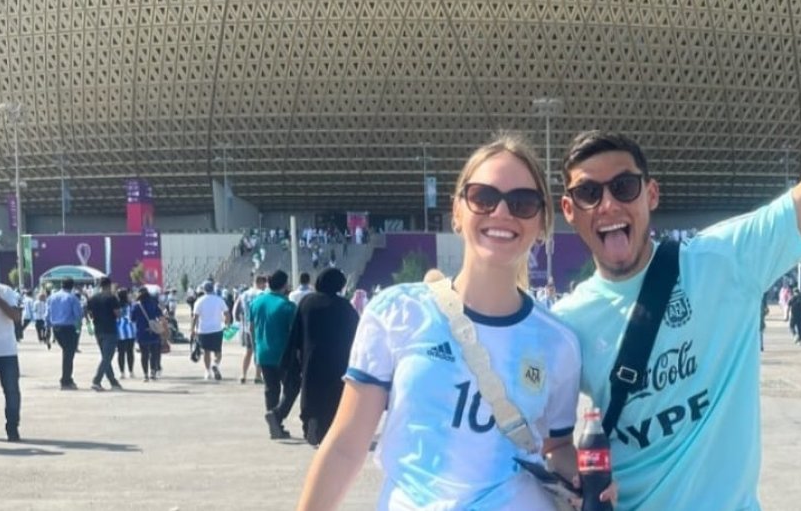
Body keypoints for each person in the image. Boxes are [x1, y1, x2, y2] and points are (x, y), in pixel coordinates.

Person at [550, 0, 801, 511]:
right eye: (590, 193)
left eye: (624, 187)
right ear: (569, 210)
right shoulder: (565, 325)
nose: (609, 204)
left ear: (651, 195)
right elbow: (545, 443)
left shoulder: (724, 262)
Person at [298, 134, 598, 510]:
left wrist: (585, 479)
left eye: (522, 203)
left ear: (542, 222)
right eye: (483, 197)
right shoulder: (397, 313)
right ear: (457, 211)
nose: (501, 212)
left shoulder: (558, 342)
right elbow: (345, 446)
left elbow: (555, 446)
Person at [284, 267, 359, 445]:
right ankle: (326, 428)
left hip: (310, 357)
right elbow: (356, 335)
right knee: (333, 395)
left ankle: (310, 422)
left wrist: (293, 357)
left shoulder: (307, 302)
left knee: (310, 392)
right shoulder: (344, 307)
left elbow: (296, 330)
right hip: (337, 360)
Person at [250, 270, 298, 439]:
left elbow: (251, 328)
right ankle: (277, 415)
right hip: (282, 353)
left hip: (263, 352)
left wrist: (255, 350)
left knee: (271, 389)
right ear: (284, 285)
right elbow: (295, 332)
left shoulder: (256, 302)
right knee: (292, 387)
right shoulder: (288, 306)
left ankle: (275, 426)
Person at [0, 264, 23, 441]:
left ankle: (12, 428)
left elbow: (16, 317)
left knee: (11, 391)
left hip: (6, 350)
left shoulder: (6, 291)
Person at [85, 277, 124, 391]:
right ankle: (96, 381)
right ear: (109, 285)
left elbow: (89, 313)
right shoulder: (112, 298)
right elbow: (118, 314)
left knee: (105, 357)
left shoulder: (93, 298)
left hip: (98, 330)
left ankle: (113, 381)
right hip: (110, 330)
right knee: (107, 357)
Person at [47, 278, 83, 389]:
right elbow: (78, 315)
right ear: (72, 286)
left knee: (67, 352)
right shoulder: (72, 298)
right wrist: (78, 328)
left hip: (56, 328)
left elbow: (47, 314)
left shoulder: (52, 297)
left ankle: (67, 378)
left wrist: (47, 329)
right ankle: (66, 380)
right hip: (69, 328)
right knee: (69, 354)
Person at [191, 282, 230, 381]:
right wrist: (227, 324)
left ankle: (208, 372)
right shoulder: (219, 300)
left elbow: (195, 317)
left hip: (203, 330)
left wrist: (192, 329)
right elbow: (227, 313)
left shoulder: (199, 301)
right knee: (218, 351)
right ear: (213, 289)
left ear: (204, 290)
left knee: (206, 351)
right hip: (217, 329)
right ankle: (215, 364)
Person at [234, 276, 267, 384]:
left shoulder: (244, 294)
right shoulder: (262, 294)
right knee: (259, 351)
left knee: (248, 351)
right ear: (261, 283)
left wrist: (239, 320)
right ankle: (257, 375)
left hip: (246, 326)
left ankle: (243, 374)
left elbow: (236, 310)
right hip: (259, 326)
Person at [131, 286, 165, 381]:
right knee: (154, 353)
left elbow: (132, 319)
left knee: (144, 354)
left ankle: (145, 374)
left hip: (142, 332)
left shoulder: (136, 306)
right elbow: (160, 316)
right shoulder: (153, 304)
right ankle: (153, 372)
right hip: (154, 331)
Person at [115, 288, 137, 380]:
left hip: (119, 331)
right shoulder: (131, 305)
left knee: (121, 353)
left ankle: (122, 372)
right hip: (130, 331)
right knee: (130, 352)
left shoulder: (115, 305)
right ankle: (131, 371)